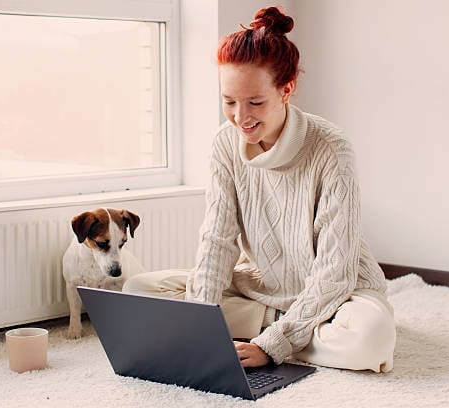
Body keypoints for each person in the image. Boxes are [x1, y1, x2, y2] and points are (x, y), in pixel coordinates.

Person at [123, 6, 396, 373]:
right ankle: (292, 326)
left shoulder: (331, 148)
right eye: (229, 101)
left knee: (369, 339)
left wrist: (273, 345)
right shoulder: (224, 144)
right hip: (260, 286)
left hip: (341, 293)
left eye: (255, 102)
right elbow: (217, 241)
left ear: (286, 89)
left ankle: (282, 328)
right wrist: (196, 328)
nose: (240, 116)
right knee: (139, 291)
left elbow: (335, 271)